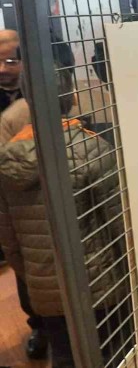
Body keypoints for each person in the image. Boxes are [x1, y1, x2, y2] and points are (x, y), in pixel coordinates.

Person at [0, 68, 126, 367]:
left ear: (27, 97)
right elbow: (120, 225)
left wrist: (33, 276)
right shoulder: (92, 148)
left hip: (45, 288)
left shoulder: (7, 159)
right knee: (114, 352)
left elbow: (9, 240)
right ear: (71, 96)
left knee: (65, 355)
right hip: (100, 283)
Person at [0, 29, 48, 360]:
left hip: (48, 190)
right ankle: (39, 326)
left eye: (10, 60)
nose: (2, 68)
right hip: (11, 198)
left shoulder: (42, 89)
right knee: (24, 264)